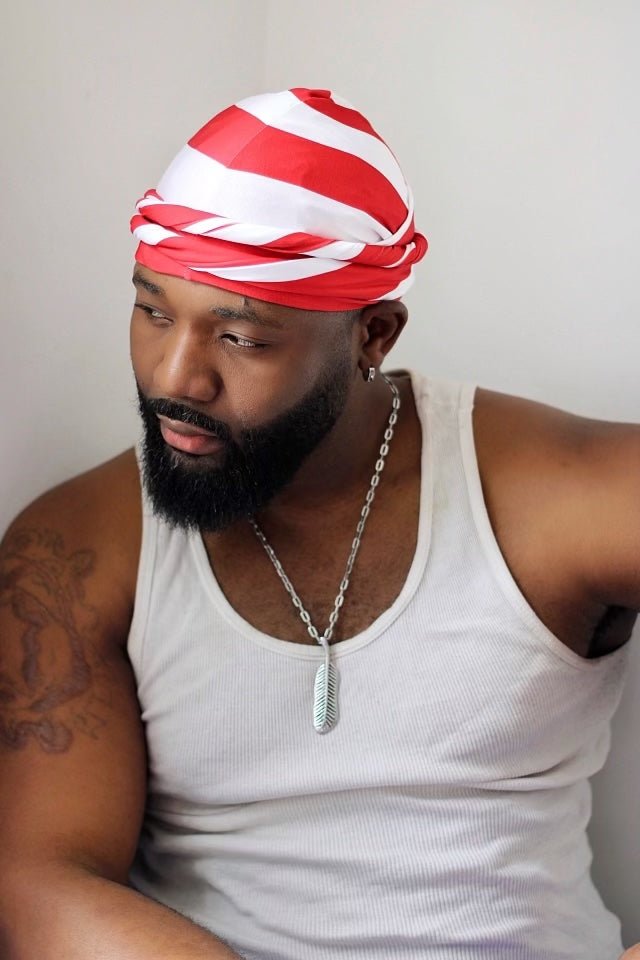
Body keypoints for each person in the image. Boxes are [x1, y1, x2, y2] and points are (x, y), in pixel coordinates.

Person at [0, 87, 638, 960]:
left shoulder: (559, 492)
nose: (175, 378)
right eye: (153, 311)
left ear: (373, 334)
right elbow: (39, 883)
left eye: (241, 338)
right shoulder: (78, 545)